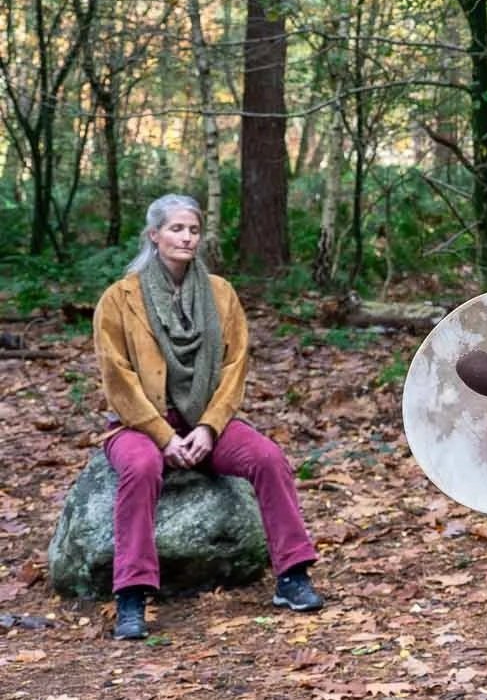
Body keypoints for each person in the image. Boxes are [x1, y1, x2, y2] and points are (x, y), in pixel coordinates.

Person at [94, 195, 323, 641]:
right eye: (177, 229)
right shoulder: (119, 299)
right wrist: (163, 436)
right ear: (153, 235)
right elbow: (116, 377)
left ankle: (293, 575)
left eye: (193, 230)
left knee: (268, 457)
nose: (186, 237)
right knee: (140, 468)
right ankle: (132, 596)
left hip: (205, 422)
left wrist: (208, 427)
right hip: (140, 423)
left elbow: (236, 366)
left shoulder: (220, 293)